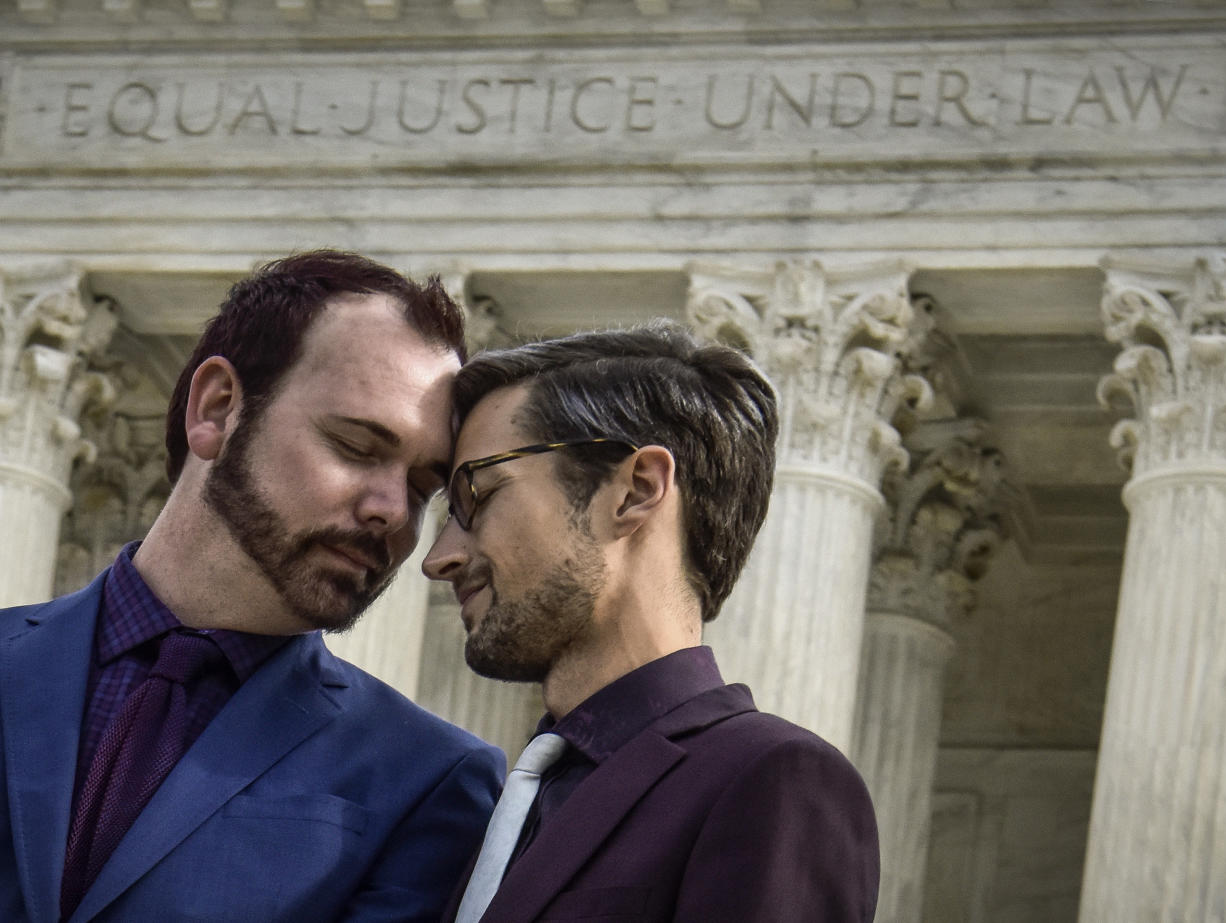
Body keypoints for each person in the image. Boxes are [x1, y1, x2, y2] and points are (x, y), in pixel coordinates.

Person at [0, 250, 506, 922]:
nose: (392, 509)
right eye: (356, 446)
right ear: (217, 408)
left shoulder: (430, 777)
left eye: (422, 488)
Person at [422, 321, 881, 923]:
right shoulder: (506, 800)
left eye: (475, 496)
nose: (438, 558)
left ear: (636, 491)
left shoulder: (774, 780)